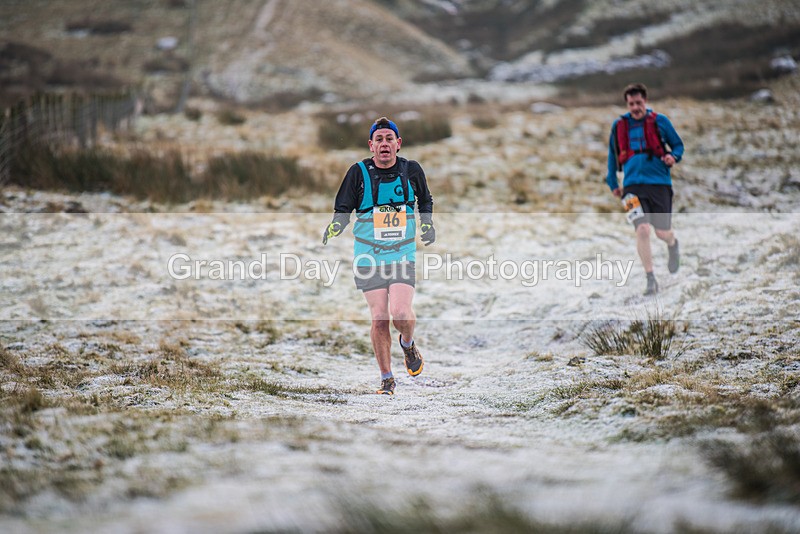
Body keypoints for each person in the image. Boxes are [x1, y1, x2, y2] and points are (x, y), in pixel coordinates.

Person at [322, 116, 435, 395]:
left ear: (398, 144)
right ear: (371, 145)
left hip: (402, 252)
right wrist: (337, 224)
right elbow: (343, 207)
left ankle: (407, 344)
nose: (384, 144)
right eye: (379, 140)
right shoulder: (358, 172)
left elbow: (425, 199)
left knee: (399, 312)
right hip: (367, 255)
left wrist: (428, 223)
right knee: (379, 318)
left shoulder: (412, 170)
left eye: (389, 139)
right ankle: (387, 379)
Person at [606, 83, 684, 295]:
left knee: (661, 232)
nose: (635, 108)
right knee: (642, 229)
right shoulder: (619, 125)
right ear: (627, 104)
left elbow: (678, 146)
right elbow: (613, 156)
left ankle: (672, 243)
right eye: (631, 104)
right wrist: (613, 182)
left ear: (645, 101)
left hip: (659, 184)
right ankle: (650, 278)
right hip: (631, 187)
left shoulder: (660, 121)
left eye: (639, 103)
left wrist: (672, 157)